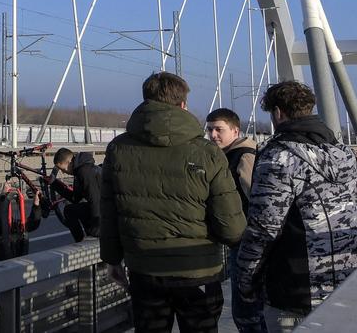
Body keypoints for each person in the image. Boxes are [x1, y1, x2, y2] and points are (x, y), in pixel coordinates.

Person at [101, 72, 245, 332]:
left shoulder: (118, 149)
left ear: (146, 101)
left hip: (144, 269)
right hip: (197, 269)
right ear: (182, 105)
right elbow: (231, 225)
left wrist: (112, 258)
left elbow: (110, 210)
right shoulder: (207, 152)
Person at [234, 81, 357, 331]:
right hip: (347, 278)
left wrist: (245, 281)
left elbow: (264, 229)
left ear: (277, 113)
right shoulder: (343, 154)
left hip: (296, 288)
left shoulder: (278, 158)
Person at [205, 108, 264, 333]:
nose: (213, 135)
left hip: (246, 239)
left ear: (235, 130)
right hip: (241, 238)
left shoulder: (244, 155)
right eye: (210, 130)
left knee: (245, 309)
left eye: (219, 129)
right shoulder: (230, 154)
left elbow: (254, 198)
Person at [48, 147, 101, 242]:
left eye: (63, 169)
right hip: (101, 207)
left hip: (107, 209)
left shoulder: (85, 172)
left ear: (69, 162)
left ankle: (91, 235)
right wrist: (54, 184)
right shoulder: (79, 171)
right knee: (69, 210)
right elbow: (75, 198)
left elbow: (96, 201)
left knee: (90, 224)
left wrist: (96, 231)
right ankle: (80, 241)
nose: (63, 172)